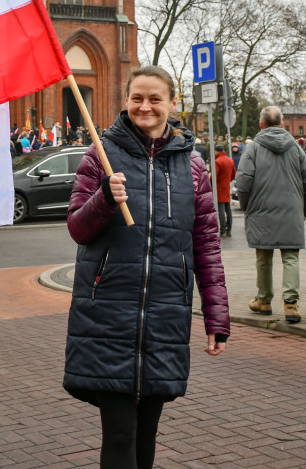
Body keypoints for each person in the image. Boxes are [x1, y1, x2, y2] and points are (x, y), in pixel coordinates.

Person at [63, 65, 229, 469]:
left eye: (156, 99)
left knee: (147, 434)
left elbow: (206, 246)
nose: (145, 106)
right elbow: (77, 229)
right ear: (126, 101)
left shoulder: (193, 168)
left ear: (173, 104)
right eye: (137, 97)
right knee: (120, 434)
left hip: (165, 317)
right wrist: (103, 197)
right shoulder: (100, 155)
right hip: (108, 316)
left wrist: (216, 317)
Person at [236, 105, 306, 324]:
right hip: (291, 209)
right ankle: (291, 305)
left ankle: (264, 301)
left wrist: (247, 206)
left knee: (263, 256)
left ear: (261, 124)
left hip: (261, 209)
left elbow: (244, 181)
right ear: (283, 123)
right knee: (291, 257)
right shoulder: (296, 148)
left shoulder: (253, 148)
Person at [213, 144, 236, 237]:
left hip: (219, 187)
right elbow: (233, 174)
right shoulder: (230, 160)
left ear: (216, 151)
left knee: (221, 209)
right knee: (228, 209)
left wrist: (211, 184)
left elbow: (214, 176)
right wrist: (228, 180)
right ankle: (229, 228)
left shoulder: (217, 161)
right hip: (226, 187)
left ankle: (222, 229)